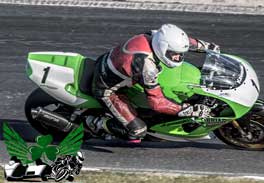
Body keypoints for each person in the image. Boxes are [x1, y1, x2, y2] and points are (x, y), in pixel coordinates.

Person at [88, 24, 220, 142]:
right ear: (162, 47)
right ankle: (94, 123)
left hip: (111, 62)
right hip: (106, 89)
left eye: (180, 54)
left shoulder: (154, 36)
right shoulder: (147, 67)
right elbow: (157, 103)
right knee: (137, 132)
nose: (178, 57)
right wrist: (187, 109)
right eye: (174, 54)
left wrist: (206, 46)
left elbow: (182, 42)